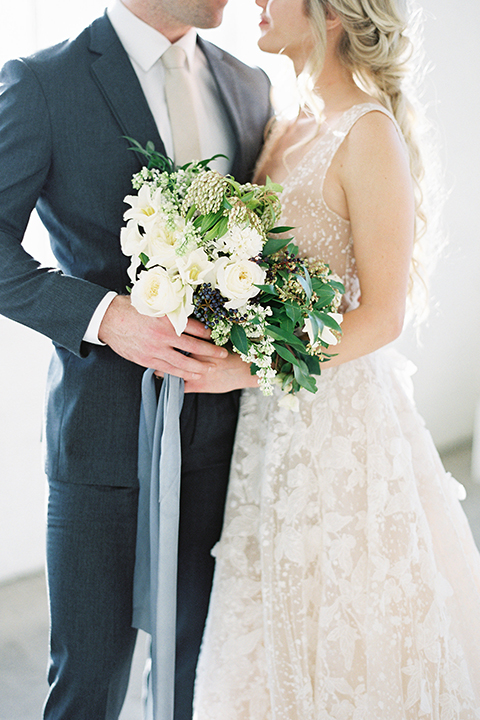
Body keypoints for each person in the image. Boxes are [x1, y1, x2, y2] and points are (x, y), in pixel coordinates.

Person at [190, 0, 480, 716]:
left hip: (343, 432)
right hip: (269, 430)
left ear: (333, 15)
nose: (256, 1)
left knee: (351, 628)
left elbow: (382, 317)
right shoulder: (282, 126)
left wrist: (249, 366)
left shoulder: (369, 134)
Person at [0, 0, 271, 717]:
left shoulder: (250, 85)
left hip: (225, 441)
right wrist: (104, 317)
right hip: (102, 448)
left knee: (194, 680)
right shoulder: (43, 82)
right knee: (88, 685)